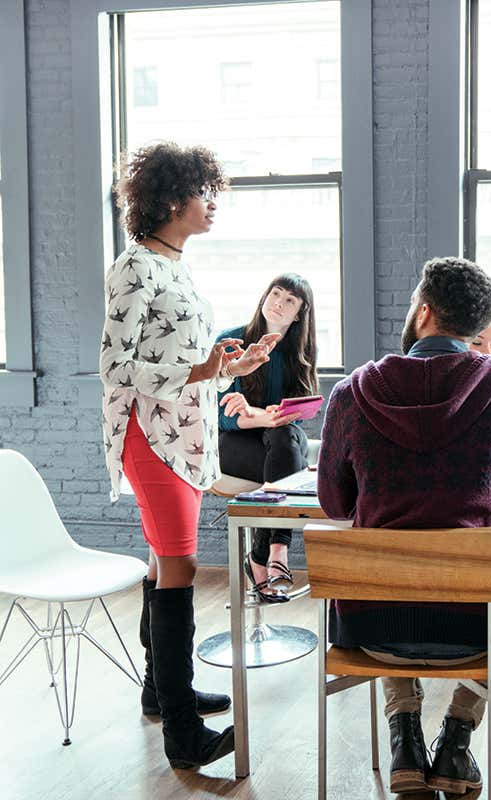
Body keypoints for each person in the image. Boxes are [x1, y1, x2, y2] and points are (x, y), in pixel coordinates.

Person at [317, 257, 491, 796]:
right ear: (477, 328)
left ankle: (404, 734)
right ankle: (456, 739)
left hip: (371, 628)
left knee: (391, 566)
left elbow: (334, 504)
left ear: (423, 312)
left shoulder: (352, 393)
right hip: (474, 626)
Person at [101, 142, 277, 769]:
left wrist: (233, 368)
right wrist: (203, 366)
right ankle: (182, 734)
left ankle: (160, 691)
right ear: (172, 199)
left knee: (160, 564)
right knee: (180, 568)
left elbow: (188, 370)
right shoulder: (136, 268)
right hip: (152, 437)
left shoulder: (174, 267)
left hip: (186, 432)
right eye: (204, 192)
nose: (212, 204)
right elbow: (115, 366)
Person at [216, 274, 318, 602]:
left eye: (290, 300)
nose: (279, 302)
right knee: (287, 460)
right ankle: (276, 553)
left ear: (299, 313)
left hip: (282, 440)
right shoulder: (231, 342)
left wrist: (265, 416)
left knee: (284, 440)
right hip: (233, 442)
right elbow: (225, 416)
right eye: (275, 293)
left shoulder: (300, 352)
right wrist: (262, 417)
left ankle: (262, 556)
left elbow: (301, 410)